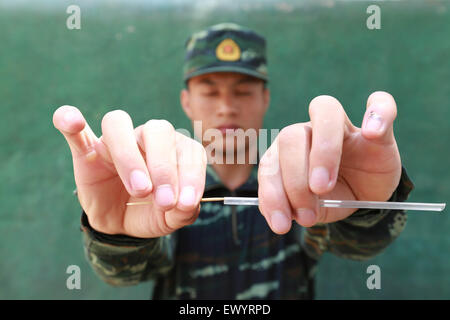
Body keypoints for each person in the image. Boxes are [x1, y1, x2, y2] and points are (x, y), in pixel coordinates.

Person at [52, 23, 414, 299]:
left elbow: (355, 245)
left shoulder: (296, 182)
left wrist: (369, 205)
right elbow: (125, 274)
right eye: (209, 91)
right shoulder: (165, 189)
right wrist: (114, 234)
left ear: (265, 99)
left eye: (243, 91)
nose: (227, 105)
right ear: (187, 101)